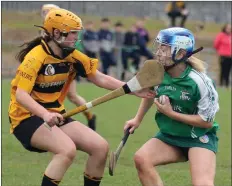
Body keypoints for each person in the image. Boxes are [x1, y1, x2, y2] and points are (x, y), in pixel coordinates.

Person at [9, 8, 154, 186]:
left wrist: (132, 89)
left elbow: (99, 77)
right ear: (56, 33)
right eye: (72, 34)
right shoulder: (35, 58)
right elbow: (21, 95)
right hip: (26, 117)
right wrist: (45, 115)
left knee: (100, 147)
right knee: (66, 150)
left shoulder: (72, 55)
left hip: (56, 114)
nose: (76, 38)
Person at [124, 27, 220, 186]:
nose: (159, 52)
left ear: (181, 54)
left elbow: (206, 121)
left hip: (199, 137)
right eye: (159, 47)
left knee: (202, 183)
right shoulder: (157, 72)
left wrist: (170, 113)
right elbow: (150, 93)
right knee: (141, 159)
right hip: (170, 136)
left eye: (165, 49)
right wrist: (137, 119)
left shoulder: (201, 82)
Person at [41, 4, 97, 130]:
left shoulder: (67, 28)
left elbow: (72, 46)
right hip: (53, 67)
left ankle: (90, 116)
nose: (46, 14)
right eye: (44, 12)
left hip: (67, 65)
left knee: (71, 95)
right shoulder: (46, 30)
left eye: (49, 12)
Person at [214, 23, 232, 88]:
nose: (229, 30)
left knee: (228, 71)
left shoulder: (230, 36)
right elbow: (216, 45)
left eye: (230, 29)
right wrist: (220, 51)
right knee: (223, 70)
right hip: (223, 56)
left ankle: (227, 85)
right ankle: (221, 84)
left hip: (230, 56)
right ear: (225, 28)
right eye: (228, 28)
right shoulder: (221, 35)